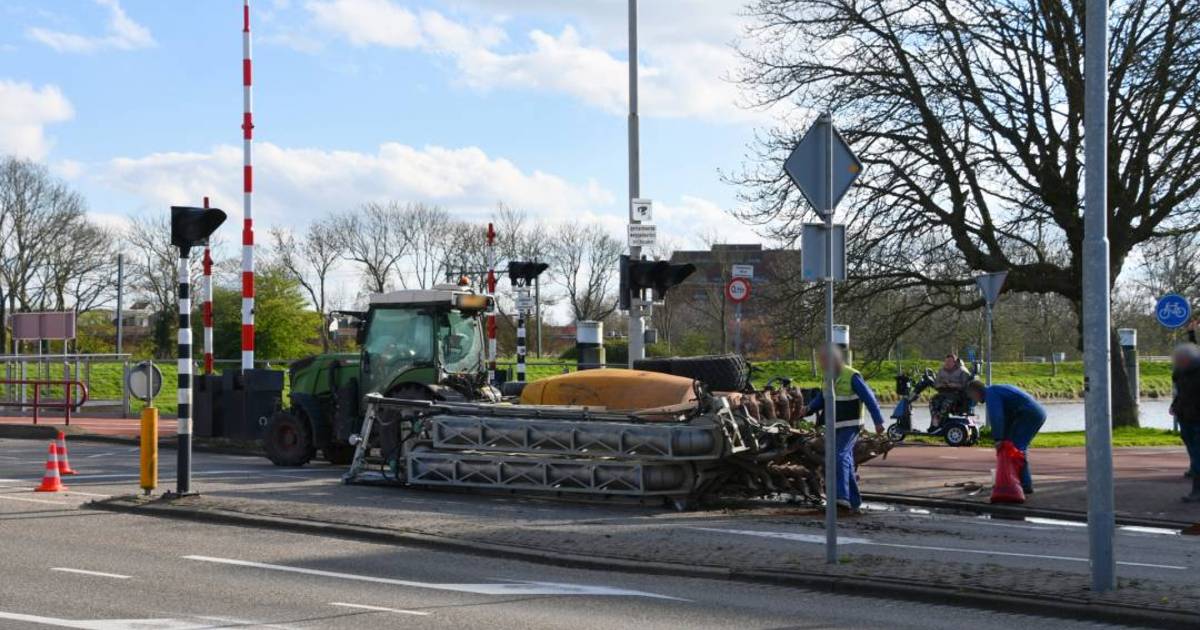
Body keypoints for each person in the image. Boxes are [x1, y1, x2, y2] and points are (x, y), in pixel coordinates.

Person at [800, 347, 886, 511]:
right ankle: (853, 501)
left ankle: (842, 497)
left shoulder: (852, 375)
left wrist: (878, 421)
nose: (821, 364)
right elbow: (822, 398)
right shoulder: (828, 377)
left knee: (839, 457)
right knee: (845, 459)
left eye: (824, 360)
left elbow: (869, 398)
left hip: (851, 425)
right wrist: (808, 409)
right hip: (834, 425)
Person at [966, 380, 1045, 494]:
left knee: (1017, 448)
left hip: (1029, 414)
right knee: (1014, 446)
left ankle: (1025, 484)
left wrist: (998, 438)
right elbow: (1007, 416)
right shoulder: (995, 390)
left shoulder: (991, 394)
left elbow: (997, 417)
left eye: (972, 397)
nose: (974, 400)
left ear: (975, 392)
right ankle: (1020, 482)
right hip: (1032, 412)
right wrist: (1004, 438)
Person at [1169, 341, 1200, 502]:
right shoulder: (1180, 372)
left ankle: (1197, 490)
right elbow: (1180, 392)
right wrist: (1175, 405)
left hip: (1197, 417)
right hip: (1185, 416)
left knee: (1197, 455)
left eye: (1181, 360)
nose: (1179, 363)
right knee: (1193, 451)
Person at [930, 354, 973, 431]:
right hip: (943, 392)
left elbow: (965, 386)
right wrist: (942, 384)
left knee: (946, 403)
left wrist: (954, 385)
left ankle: (938, 424)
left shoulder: (962, 371)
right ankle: (935, 422)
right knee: (933, 401)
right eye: (946, 361)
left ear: (955, 362)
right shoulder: (941, 371)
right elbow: (936, 384)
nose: (947, 363)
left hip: (956, 394)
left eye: (950, 361)